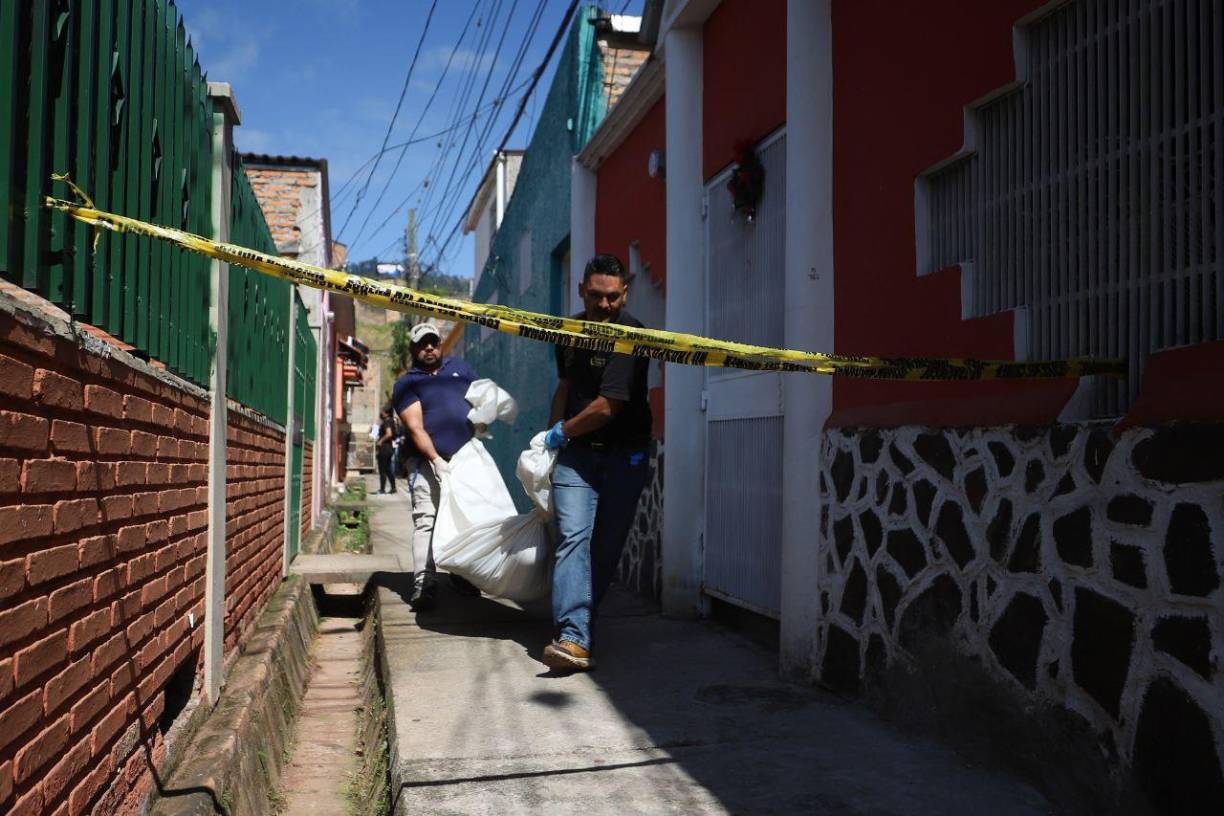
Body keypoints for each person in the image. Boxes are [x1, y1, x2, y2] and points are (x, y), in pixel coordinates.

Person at [541, 254, 652, 672]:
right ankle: (573, 636)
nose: (604, 306)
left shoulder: (632, 335)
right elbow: (566, 386)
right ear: (580, 290)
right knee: (573, 538)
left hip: (626, 454)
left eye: (612, 297)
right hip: (578, 457)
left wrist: (562, 431)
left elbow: (608, 407)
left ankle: (582, 620)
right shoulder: (568, 332)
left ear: (625, 291)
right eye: (595, 297)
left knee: (605, 549)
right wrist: (549, 436)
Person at [391, 322, 481, 610]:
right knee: (427, 518)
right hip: (425, 461)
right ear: (414, 349)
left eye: (433, 342)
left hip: (465, 460)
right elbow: (415, 427)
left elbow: (481, 398)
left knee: (464, 519)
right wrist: (436, 461)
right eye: (422, 344)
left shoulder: (461, 369)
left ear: (441, 345)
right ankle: (424, 580)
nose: (429, 347)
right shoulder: (408, 382)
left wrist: (487, 417)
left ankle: (461, 574)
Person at [374, 408, 397, 494]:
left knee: (382, 469)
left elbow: (389, 433)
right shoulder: (391, 421)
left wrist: (380, 441)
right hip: (389, 447)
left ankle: (382, 489)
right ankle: (393, 488)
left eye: (382, 411)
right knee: (387, 469)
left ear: (386, 413)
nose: (381, 413)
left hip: (385, 448)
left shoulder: (387, 422)